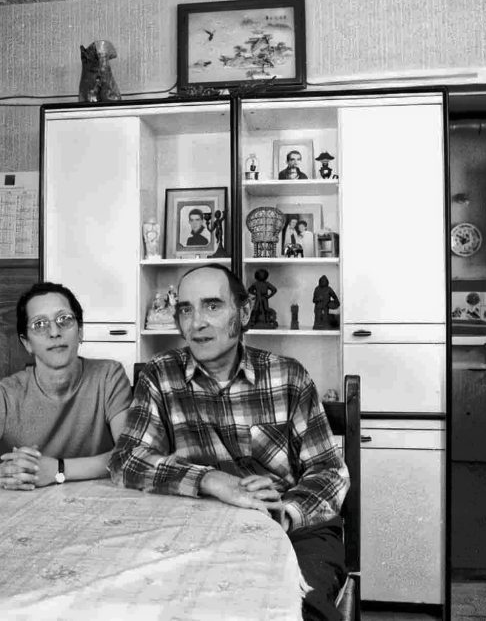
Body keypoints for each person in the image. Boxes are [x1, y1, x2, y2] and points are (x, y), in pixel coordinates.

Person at [109, 264, 349, 621]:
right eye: (186, 309)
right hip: (195, 526)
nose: (196, 323)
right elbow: (126, 459)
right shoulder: (160, 374)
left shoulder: (288, 375)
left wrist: (284, 514)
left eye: (212, 306)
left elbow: (329, 471)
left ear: (245, 311)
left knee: (294, 607)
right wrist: (210, 480)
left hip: (293, 530)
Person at [0, 282, 131, 490]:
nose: (54, 332)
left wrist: (58, 470)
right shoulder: (7, 396)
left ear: (80, 331)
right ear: (27, 343)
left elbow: (130, 455)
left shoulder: (109, 377)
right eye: (39, 324)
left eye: (64, 320)